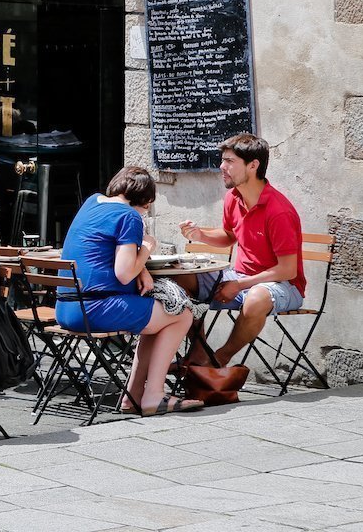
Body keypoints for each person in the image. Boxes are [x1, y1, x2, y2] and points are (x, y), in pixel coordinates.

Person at [58, 166, 202, 415]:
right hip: (96, 307)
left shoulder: (92, 203)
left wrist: (141, 267)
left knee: (156, 318)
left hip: (67, 307)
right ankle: (154, 396)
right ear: (144, 200)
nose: (146, 213)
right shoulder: (128, 216)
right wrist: (147, 247)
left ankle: (133, 397)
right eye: (148, 206)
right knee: (183, 313)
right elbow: (124, 272)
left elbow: (107, 253)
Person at [178, 133, 306, 367]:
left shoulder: (279, 211)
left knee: (256, 298)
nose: (222, 166)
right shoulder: (233, 198)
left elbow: (287, 271)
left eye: (229, 161)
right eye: (223, 160)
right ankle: (198, 353)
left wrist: (239, 284)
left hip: (284, 286)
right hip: (239, 279)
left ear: (253, 166)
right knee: (181, 279)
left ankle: (218, 360)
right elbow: (229, 236)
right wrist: (201, 235)